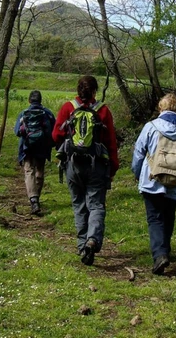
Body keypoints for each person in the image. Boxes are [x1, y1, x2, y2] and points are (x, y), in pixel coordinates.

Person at [131, 93, 176, 275]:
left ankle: (160, 254)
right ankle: (165, 250)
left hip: (152, 180)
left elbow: (139, 153)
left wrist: (136, 172)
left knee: (155, 218)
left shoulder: (151, 127)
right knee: (168, 216)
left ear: (160, 109)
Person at [53, 75, 119, 266]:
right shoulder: (103, 110)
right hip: (97, 165)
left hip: (73, 164)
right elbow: (111, 142)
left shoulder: (68, 108)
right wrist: (113, 166)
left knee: (78, 204)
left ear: (78, 89)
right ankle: (93, 240)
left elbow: (56, 134)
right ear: (95, 91)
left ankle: (83, 246)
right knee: (96, 205)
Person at [14, 90, 56, 215]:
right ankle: (36, 198)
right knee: (39, 171)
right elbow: (53, 132)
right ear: (41, 100)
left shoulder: (23, 113)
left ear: (29, 101)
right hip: (42, 147)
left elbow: (17, 132)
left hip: (27, 147)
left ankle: (33, 200)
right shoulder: (47, 113)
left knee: (29, 171)